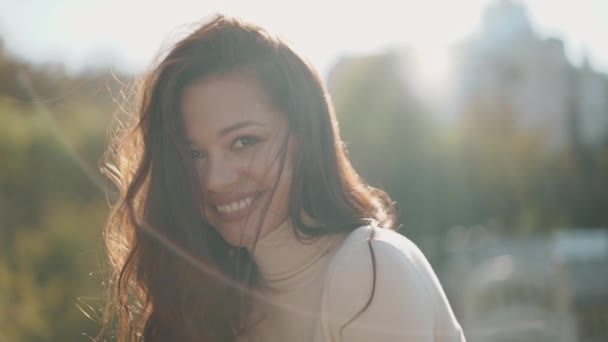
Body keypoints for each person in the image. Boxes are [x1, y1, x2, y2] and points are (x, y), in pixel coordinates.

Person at [101, 14, 466, 342]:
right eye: (194, 154)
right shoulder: (221, 302)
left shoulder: (372, 268)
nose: (215, 179)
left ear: (303, 139)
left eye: (244, 141)